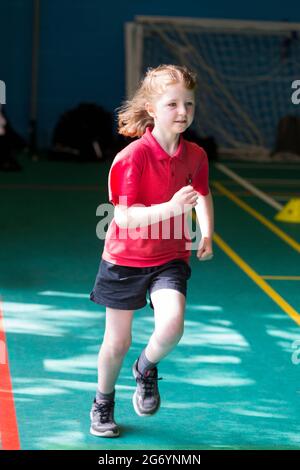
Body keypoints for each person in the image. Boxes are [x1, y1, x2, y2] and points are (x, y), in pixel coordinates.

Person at [89, 64, 214, 438]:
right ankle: (103, 401)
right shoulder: (131, 158)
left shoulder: (196, 155)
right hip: (124, 259)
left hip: (170, 257)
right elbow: (125, 219)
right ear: (151, 108)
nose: (182, 112)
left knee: (172, 325)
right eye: (172, 103)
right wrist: (173, 209)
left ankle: (145, 367)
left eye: (188, 104)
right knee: (117, 341)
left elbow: (203, 194)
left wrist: (207, 231)